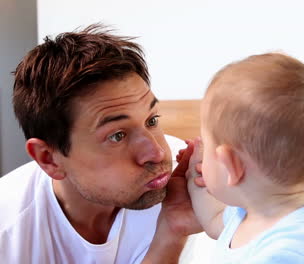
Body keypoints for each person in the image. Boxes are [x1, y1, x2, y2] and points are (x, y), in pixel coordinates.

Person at [0, 24, 201, 263]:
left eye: (152, 120)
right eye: (117, 135)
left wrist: (172, 232)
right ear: (48, 158)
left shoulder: (183, 182)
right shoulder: (9, 232)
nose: (157, 153)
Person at [182, 53, 304, 263]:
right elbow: (213, 221)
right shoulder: (260, 208)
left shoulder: (283, 255)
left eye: (207, 147)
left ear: (232, 167)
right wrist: (194, 177)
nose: (203, 156)